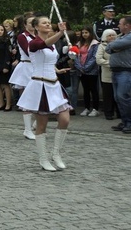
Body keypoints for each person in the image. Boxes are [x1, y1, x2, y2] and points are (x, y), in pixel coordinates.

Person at [16, 16, 71, 171]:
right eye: (44, 23)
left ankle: (56, 153)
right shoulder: (33, 43)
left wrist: (58, 70)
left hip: (54, 84)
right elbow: (43, 44)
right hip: (40, 85)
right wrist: (60, 33)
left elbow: (49, 61)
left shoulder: (52, 45)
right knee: (42, 124)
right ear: (36, 27)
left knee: (65, 119)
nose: (47, 24)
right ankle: (43, 158)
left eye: (48, 22)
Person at [10, 13, 36, 139]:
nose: (33, 25)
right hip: (27, 67)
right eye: (30, 23)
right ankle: (27, 128)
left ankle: (37, 122)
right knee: (28, 98)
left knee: (41, 95)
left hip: (38, 67)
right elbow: (29, 51)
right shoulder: (22, 36)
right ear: (25, 25)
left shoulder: (39, 35)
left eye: (34, 22)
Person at [107, 16, 131, 133]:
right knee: (118, 98)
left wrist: (113, 45)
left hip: (125, 71)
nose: (118, 26)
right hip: (116, 71)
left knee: (123, 97)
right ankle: (124, 121)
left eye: (120, 24)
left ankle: (129, 122)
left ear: (127, 25)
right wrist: (113, 45)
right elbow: (108, 48)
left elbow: (113, 45)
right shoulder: (121, 37)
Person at [75, 26, 100, 117]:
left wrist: (86, 67)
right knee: (86, 90)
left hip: (92, 71)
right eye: (83, 33)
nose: (84, 34)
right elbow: (76, 56)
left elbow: (94, 57)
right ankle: (86, 108)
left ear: (90, 33)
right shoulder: (79, 43)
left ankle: (95, 109)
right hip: (81, 71)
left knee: (93, 90)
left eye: (86, 32)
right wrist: (80, 67)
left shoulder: (95, 44)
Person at [96, 29, 118, 120]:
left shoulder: (120, 45)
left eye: (113, 35)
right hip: (107, 74)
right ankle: (108, 113)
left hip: (118, 73)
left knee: (118, 95)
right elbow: (98, 59)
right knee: (108, 95)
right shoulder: (101, 46)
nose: (111, 37)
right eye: (109, 35)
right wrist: (111, 63)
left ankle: (120, 113)